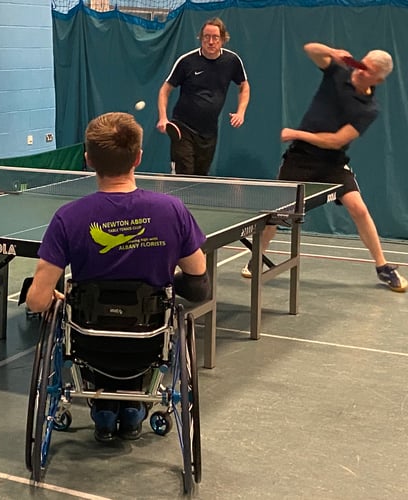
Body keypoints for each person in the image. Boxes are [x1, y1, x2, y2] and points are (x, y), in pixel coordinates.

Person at [26, 112, 211, 442]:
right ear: (138, 157)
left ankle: (106, 409)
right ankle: (131, 409)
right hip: (149, 340)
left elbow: (37, 301)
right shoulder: (172, 211)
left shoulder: (67, 218)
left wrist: (55, 297)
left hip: (89, 341)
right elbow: (198, 284)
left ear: (88, 160)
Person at [241, 43, 406, 293]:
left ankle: (382, 267)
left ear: (379, 79)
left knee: (359, 209)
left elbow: (337, 140)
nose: (361, 71)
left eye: (368, 70)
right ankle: (256, 260)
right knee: (274, 215)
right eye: (362, 64)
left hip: (333, 162)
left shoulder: (368, 109)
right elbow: (309, 49)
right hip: (300, 159)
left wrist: (298, 133)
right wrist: (332, 52)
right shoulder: (338, 73)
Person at [156, 17, 250, 176]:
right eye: (207, 37)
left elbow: (244, 86)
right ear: (201, 38)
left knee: (200, 177)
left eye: (215, 37)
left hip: (209, 132)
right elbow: (165, 90)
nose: (211, 41)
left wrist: (241, 112)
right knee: (184, 174)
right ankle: (178, 202)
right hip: (182, 128)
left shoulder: (232, 61)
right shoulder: (187, 61)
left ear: (222, 39)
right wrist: (163, 117)